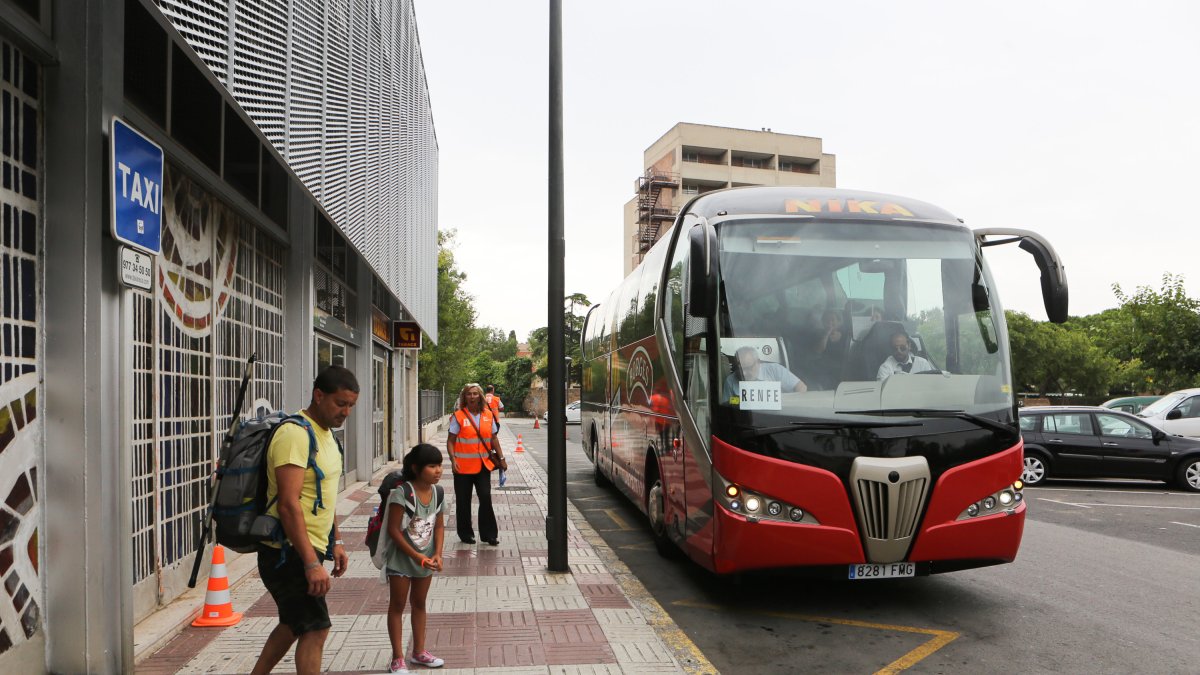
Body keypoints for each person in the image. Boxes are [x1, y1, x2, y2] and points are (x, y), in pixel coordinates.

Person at [251, 366, 358, 675]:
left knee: (292, 623)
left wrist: (335, 542)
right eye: (340, 404)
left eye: (351, 405)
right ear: (318, 395)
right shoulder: (295, 434)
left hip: (305, 548)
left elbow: (323, 497)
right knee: (315, 628)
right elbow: (288, 505)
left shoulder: (325, 436)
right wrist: (311, 564)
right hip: (286, 552)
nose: (346, 412)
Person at [383, 443, 447, 673]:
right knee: (397, 606)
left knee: (419, 604)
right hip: (401, 560)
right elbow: (393, 530)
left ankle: (419, 652)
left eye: (439, 465)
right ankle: (397, 658)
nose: (438, 470)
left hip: (426, 559)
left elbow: (439, 527)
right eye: (432, 466)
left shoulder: (438, 493)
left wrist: (437, 554)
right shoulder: (404, 493)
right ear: (416, 468)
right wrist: (417, 556)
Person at [447, 383, 507, 545]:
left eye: (475, 394)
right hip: (462, 467)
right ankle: (466, 534)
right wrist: (453, 460)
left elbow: (494, 438)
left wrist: (501, 459)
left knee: (486, 498)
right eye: (469, 394)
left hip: (483, 466)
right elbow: (451, 441)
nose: (472, 397)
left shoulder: (488, 415)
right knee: (463, 501)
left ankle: (489, 534)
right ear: (464, 397)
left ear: (480, 396)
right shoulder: (458, 416)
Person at [723, 346, 808, 401]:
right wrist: (739, 400)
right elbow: (728, 404)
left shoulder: (775, 370)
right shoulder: (730, 381)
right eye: (740, 369)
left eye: (748, 368)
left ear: (758, 362)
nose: (744, 373)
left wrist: (786, 402)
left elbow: (801, 387)